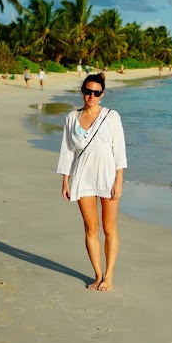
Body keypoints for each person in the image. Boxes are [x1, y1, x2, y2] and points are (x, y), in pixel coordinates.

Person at [57, 73, 127, 291]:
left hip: (107, 177)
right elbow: (67, 151)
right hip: (82, 176)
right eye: (88, 91)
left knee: (109, 229)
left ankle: (110, 276)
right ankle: (98, 275)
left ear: (102, 94)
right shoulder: (71, 117)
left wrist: (119, 181)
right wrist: (65, 180)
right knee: (90, 228)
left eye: (97, 92)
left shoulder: (112, 116)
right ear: (82, 92)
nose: (92, 96)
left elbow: (120, 151)